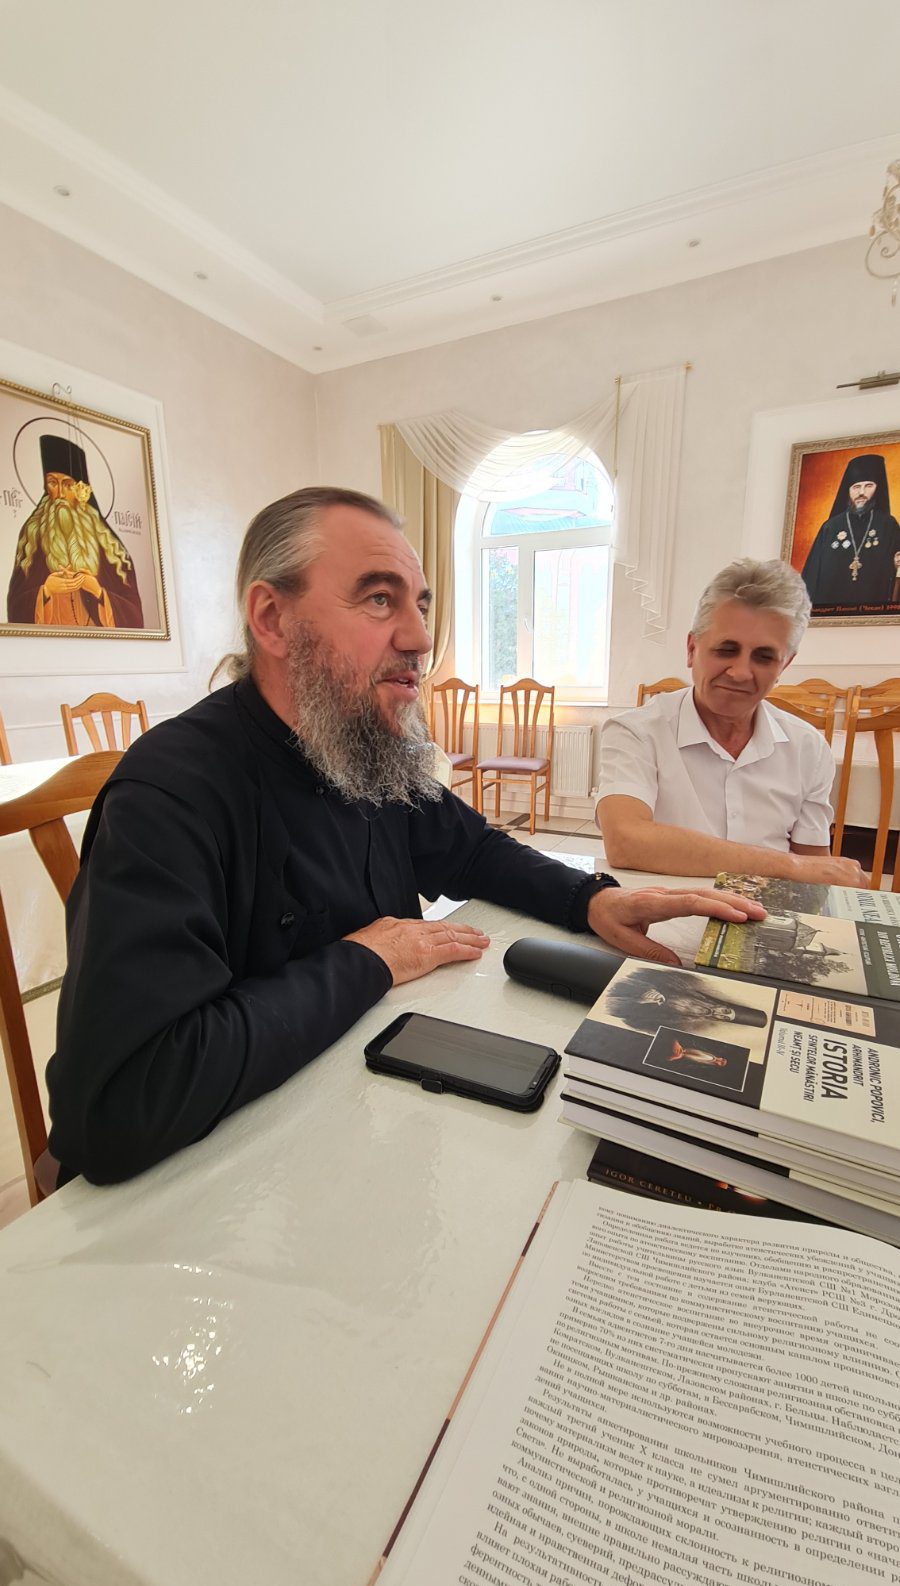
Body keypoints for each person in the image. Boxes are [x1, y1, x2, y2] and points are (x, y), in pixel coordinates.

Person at [46, 487, 762, 1185]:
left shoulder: (360, 742)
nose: (420, 638)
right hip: (224, 1186)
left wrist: (592, 899)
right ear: (272, 619)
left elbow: (472, 850)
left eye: (419, 604)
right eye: (378, 599)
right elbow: (118, 1106)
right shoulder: (172, 795)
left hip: (357, 1127)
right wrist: (368, 960)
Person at [596, 557, 867, 886]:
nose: (740, 672)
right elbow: (625, 841)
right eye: (726, 650)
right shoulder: (636, 732)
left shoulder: (808, 748)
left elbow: (815, 872)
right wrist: (790, 866)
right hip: (663, 915)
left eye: (764, 657)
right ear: (692, 649)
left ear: (784, 665)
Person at [7, 434, 143, 628]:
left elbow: (133, 613)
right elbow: (16, 606)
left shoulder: (107, 542)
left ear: (81, 490)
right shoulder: (32, 535)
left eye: (68, 484)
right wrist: (46, 591)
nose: (60, 494)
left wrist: (98, 592)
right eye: (53, 482)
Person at [800, 452, 900, 613]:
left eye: (868, 485)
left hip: (873, 613)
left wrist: (895, 565)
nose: (861, 492)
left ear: (878, 488)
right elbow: (811, 577)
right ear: (848, 490)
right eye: (856, 487)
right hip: (830, 614)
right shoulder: (830, 527)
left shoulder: (888, 526)